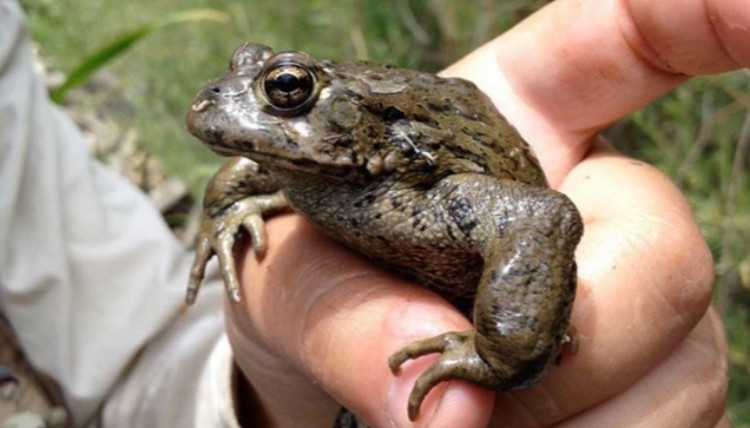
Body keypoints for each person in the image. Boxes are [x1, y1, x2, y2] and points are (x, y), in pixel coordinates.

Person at [0, 0, 734, 426]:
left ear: (347, 118)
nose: (225, 103)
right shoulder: (290, 165)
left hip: (447, 171)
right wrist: (227, 218)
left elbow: (540, 219)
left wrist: (504, 351)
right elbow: (237, 179)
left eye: (281, 90)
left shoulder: (425, 192)